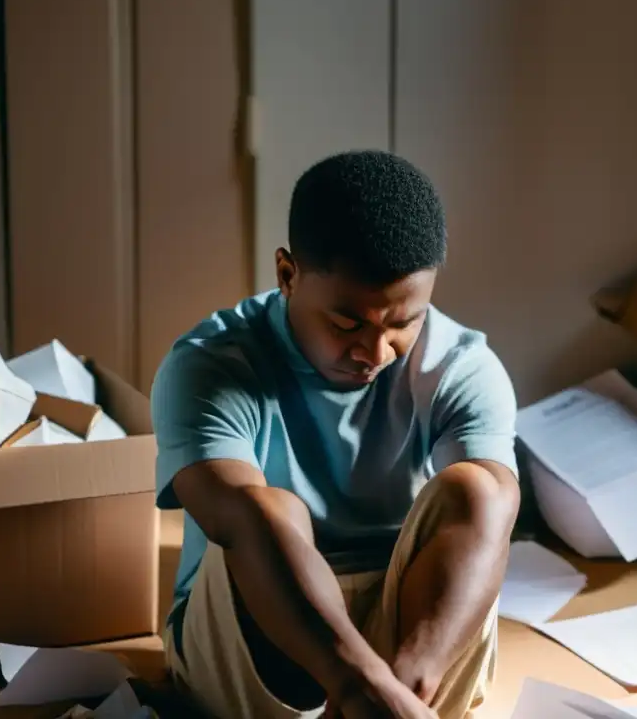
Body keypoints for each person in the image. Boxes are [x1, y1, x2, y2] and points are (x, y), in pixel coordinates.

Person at [151, 150, 520, 719]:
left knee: (483, 491)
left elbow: (488, 514)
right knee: (267, 512)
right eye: (347, 323)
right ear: (287, 275)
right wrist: (357, 686)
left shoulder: (462, 367)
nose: (375, 353)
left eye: (403, 323)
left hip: (405, 628)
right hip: (263, 616)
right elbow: (233, 519)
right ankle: (364, 694)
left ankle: (400, 696)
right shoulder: (211, 366)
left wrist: (401, 688)